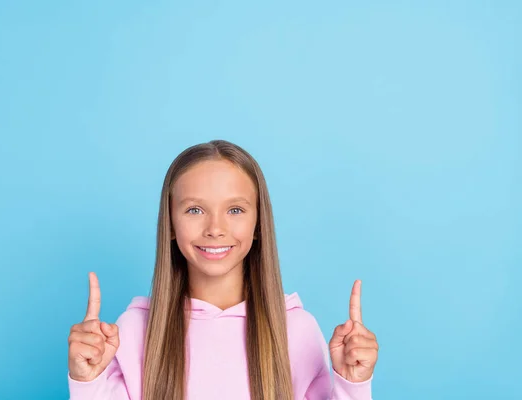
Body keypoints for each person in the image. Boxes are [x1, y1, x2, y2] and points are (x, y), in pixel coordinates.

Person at [67, 140, 379, 400]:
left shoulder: (296, 330)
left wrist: (353, 385)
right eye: (194, 210)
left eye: (235, 210)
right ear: (171, 224)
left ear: (258, 224)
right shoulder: (134, 330)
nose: (215, 228)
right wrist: (88, 383)